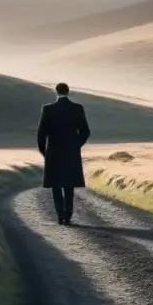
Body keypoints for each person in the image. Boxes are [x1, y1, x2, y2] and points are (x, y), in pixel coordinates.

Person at [36, 82, 91, 225]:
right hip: (71, 152)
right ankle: (68, 215)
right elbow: (85, 132)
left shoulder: (47, 109)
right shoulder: (77, 108)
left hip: (53, 151)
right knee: (69, 184)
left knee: (55, 184)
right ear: (68, 91)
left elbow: (41, 134)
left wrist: (44, 152)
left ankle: (60, 215)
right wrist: (76, 145)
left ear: (56, 92)